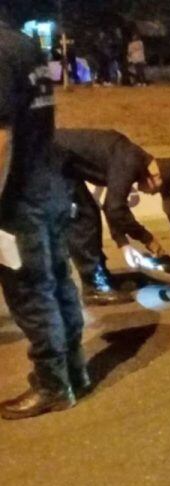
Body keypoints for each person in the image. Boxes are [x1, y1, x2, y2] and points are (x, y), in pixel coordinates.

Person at [0, 9, 88, 419]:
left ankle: (54, 386)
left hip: (17, 197)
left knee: (31, 292)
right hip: (48, 182)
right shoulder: (24, 43)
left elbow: (1, 136)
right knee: (58, 282)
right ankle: (74, 372)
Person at [54, 129, 170, 305]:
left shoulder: (132, 158)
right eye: (158, 191)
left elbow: (111, 206)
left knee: (89, 213)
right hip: (47, 161)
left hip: (58, 162)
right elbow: (116, 209)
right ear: (157, 177)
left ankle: (101, 279)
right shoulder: (129, 161)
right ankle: (95, 288)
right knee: (83, 220)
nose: (152, 195)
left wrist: (122, 242)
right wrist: (147, 238)